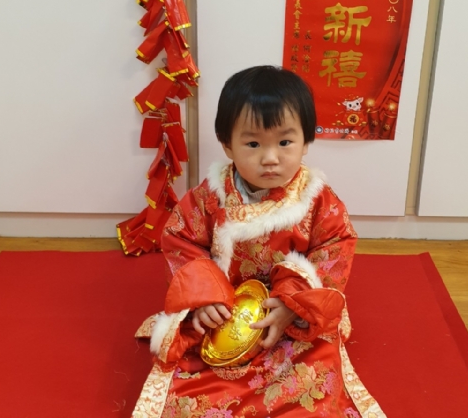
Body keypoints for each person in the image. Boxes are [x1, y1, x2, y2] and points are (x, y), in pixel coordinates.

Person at [131, 66, 385, 418]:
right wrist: (205, 300)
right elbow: (181, 241)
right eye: (253, 144)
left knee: (314, 372)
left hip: (292, 309)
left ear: (306, 141)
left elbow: (334, 246)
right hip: (228, 306)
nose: (270, 158)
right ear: (227, 144)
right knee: (196, 383)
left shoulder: (316, 199)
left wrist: (294, 304)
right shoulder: (210, 197)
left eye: (285, 142)